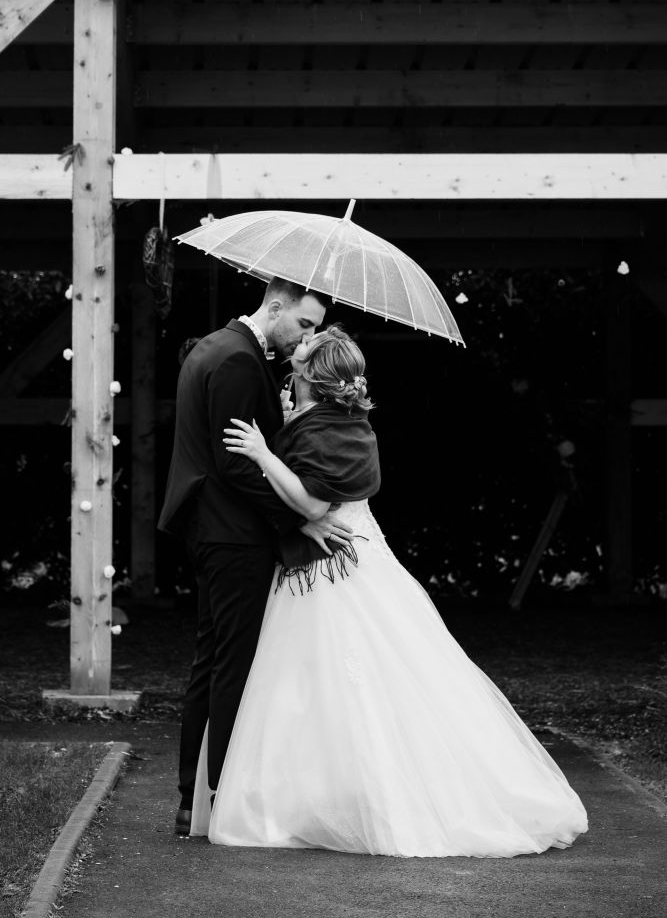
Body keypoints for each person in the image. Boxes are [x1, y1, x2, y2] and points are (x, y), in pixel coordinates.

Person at [189, 324, 588, 857]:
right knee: (310, 687)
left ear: (314, 377)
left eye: (302, 354)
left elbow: (311, 507)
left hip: (342, 567)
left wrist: (263, 453)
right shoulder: (317, 419)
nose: (293, 356)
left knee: (362, 680)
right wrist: (283, 433)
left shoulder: (343, 432)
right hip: (314, 571)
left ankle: (381, 799)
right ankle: (316, 796)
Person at [158, 280, 354, 837]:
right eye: (306, 324)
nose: (307, 337)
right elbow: (237, 465)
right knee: (231, 665)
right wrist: (303, 517)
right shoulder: (240, 362)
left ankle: (192, 798)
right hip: (234, 535)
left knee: (210, 658)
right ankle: (216, 793)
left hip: (211, 529)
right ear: (275, 306)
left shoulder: (215, 347)